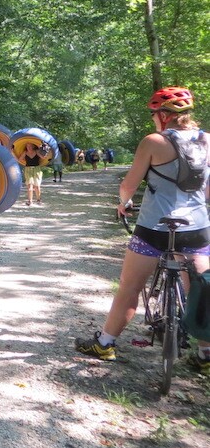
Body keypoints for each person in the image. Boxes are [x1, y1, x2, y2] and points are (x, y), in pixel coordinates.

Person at [75, 86, 210, 371]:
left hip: (154, 227)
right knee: (200, 290)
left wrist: (123, 204)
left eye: (153, 115)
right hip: (197, 227)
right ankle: (205, 354)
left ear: (163, 115)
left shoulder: (153, 141)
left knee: (130, 287)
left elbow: (129, 185)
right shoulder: (207, 141)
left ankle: (105, 343)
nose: (153, 120)